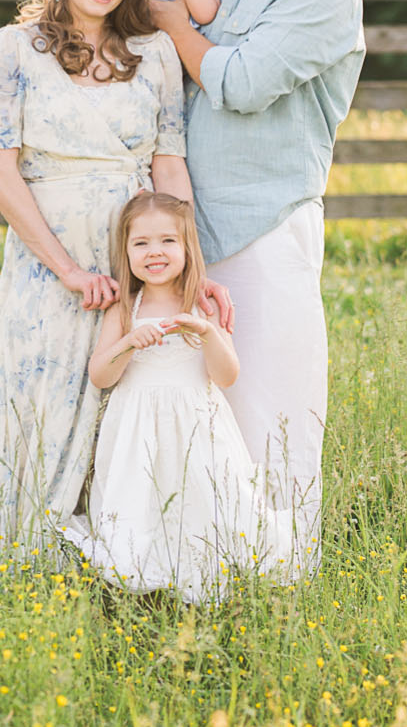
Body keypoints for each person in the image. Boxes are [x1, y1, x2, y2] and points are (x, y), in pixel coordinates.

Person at [0, 0, 229, 574]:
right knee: (35, 395)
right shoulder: (11, 50)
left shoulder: (154, 53)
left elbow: (169, 163)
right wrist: (67, 271)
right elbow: (0, 174)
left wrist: (188, 267)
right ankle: (14, 545)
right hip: (48, 256)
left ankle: (122, 548)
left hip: (136, 254)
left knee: (128, 394)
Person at [149, 0, 364, 575]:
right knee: (199, 413)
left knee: (272, 413)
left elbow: (238, 83)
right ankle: (203, 565)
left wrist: (174, 25)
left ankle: (281, 579)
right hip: (191, 236)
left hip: (265, 229)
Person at [61, 191, 292, 601]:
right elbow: (100, 375)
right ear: (126, 251)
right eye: (141, 243)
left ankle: (203, 555)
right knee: (141, 495)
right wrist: (129, 342)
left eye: (168, 241)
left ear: (187, 249)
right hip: (137, 426)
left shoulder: (200, 307)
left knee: (201, 493)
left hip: (195, 425)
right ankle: (141, 562)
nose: (155, 252)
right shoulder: (124, 309)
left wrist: (206, 334)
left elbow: (227, 375)